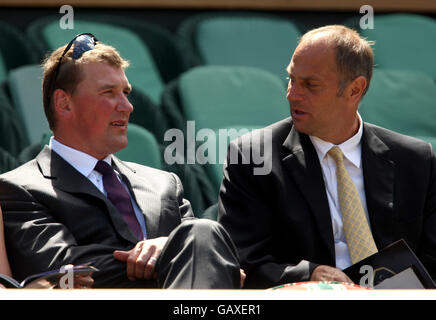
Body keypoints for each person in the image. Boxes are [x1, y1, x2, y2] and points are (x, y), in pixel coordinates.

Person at [0, 33, 243, 289]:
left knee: (205, 230)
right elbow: (63, 270)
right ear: (64, 103)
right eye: (109, 93)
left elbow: (204, 251)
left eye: (125, 93)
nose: (127, 106)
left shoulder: (164, 183)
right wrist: (170, 252)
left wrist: (173, 250)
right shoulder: (20, 188)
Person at [218, 25, 436, 288]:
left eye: (310, 85)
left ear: (355, 90)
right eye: (291, 79)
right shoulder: (253, 157)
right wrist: (309, 274)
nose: (292, 94)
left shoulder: (415, 161)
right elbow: (242, 264)